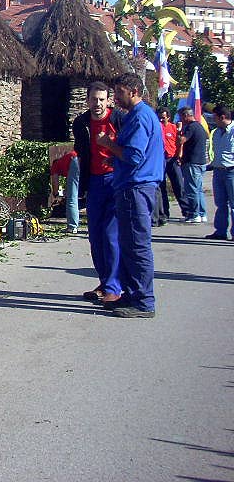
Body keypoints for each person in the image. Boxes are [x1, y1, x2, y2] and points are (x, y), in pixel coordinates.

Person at [95, 74, 163, 318]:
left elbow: (134, 156)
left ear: (134, 91)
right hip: (131, 186)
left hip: (136, 188)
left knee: (136, 245)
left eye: (120, 92)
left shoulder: (141, 116)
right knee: (128, 243)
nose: (115, 97)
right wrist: (114, 159)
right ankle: (132, 294)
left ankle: (143, 302)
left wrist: (108, 144)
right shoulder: (136, 115)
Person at [72, 81, 122, 304]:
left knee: (110, 236)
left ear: (108, 100)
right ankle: (104, 282)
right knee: (95, 237)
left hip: (116, 181)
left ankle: (114, 287)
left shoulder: (119, 119)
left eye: (102, 99)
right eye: (94, 99)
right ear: (87, 100)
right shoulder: (81, 123)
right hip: (93, 182)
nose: (98, 103)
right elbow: (81, 151)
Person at [206, 104, 233, 240]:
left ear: (222, 117)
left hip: (231, 171)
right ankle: (220, 231)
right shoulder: (216, 132)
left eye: (215, 118)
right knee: (220, 203)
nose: (213, 120)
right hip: (218, 171)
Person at [177, 106, 208, 223]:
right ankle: (202, 213)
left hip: (192, 162)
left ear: (186, 115)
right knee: (198, 189)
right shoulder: (199, 126)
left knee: (192, 189)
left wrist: (179, 131)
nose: (180, 120)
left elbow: (182, 140)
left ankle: (194, 214)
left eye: (181, 117)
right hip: (200, 161)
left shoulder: (191, 127)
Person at [156, 108, 185, 222]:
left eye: (163, 117)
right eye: (159, 117)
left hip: (172, 159)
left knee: (179, 185)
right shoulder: (157, 127)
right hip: (160, 160)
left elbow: (180, 143)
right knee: (161, 187)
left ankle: (187, 211)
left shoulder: (173, 128)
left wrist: (179, 156)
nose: (161, 120)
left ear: (168, 117)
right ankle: (164, 213)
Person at [49, 148, 80, 234]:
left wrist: (56, 194)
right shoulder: (64, 161)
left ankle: (72, 227)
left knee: (72, 198)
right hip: (83, 158)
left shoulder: (55, 165)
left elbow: (55, 181)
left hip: (74, 161)